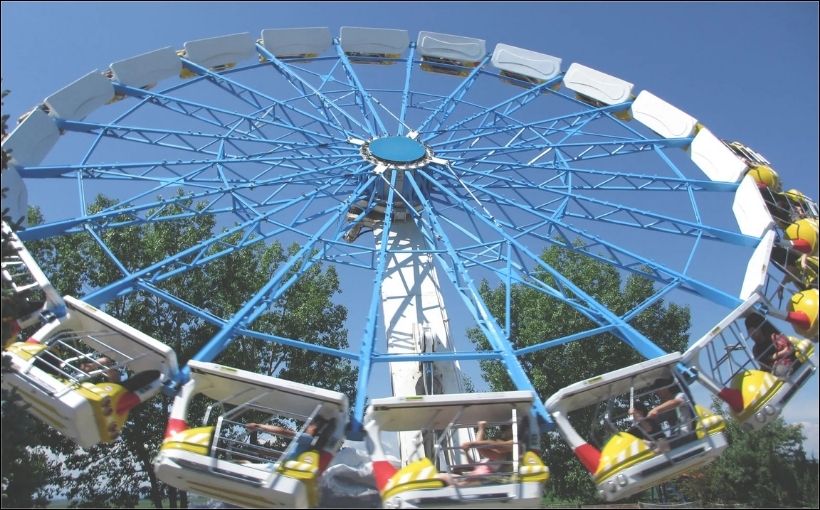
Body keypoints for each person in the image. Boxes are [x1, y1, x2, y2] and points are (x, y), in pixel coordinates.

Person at [245, 417, 326, 462]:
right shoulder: (304, 443)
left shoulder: (307, 438)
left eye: (310, 424)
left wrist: (258, 426)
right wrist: (263, 452)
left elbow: (283, 432)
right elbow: (285, 456)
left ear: (314, 427)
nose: (307, 425)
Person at [646, 378, 697, 449]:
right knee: (650, 446)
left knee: (659, 447)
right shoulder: (664, 405)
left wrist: (656, 409)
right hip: (675, 436)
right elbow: (655, 421)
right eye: (656, 390)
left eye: (658, 388)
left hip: (686, 435)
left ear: (666, 388)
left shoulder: (680, 396)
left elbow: (676, 402)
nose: (657, 392)